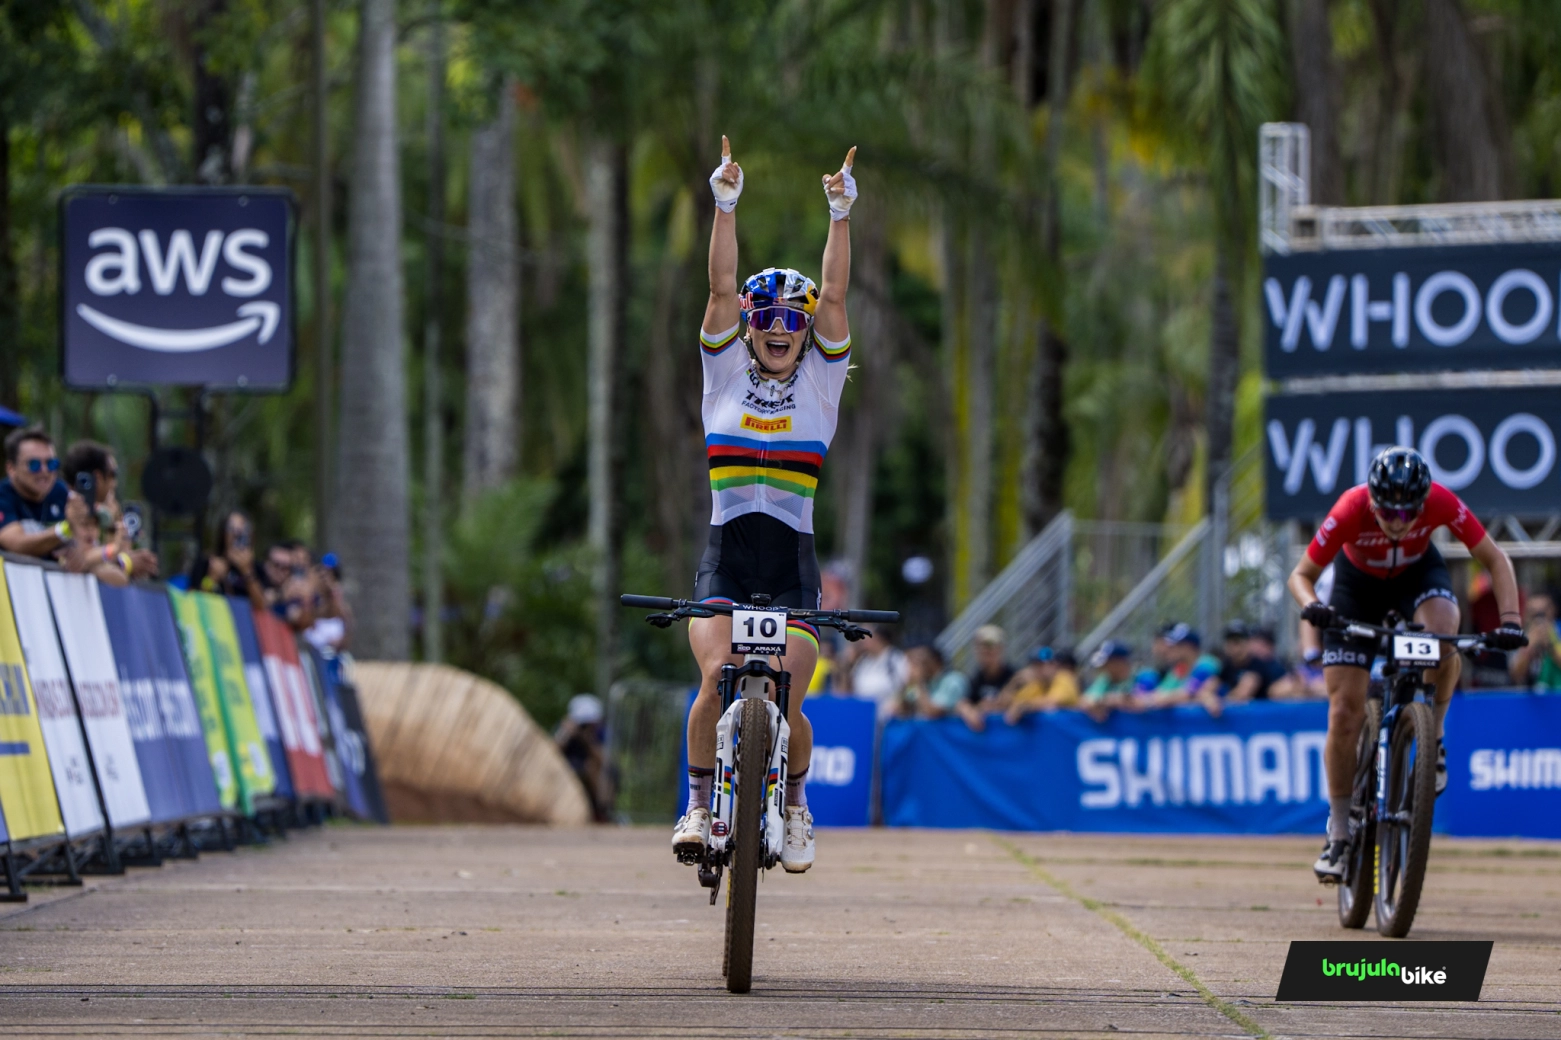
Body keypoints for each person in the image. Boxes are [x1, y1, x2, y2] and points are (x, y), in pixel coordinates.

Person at [674, 136, 859, 873]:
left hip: (791, 568)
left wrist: (839, 215)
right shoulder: (721, 377)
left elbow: (837, 297)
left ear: (805, 332)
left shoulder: (821, 386)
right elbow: (719, 289)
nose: (780, 331)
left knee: (790, 692)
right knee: (716, 677)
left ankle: (795, 805)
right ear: (750, 328)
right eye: (767, 320)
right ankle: (694, 803)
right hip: (726, 559)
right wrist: (724, 204)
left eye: (793, 321)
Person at [1287, 446, 1525, 882]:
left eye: (1408, 513)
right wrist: (1313, 607)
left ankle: (1432, 736)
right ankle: (1339, 832)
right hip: (1356, 589)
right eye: (1387, 513)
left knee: (1444, 632)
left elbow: (1495, 557)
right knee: (1343, 712)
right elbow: (1300, 575)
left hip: (1417, 576)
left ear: (1423, 501)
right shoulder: (1350, 507)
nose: (1397, 522)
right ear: (1372, 501)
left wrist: (1510, 621)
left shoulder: (1442, 501)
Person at [0, 426, 88, 561]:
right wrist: (65, 530)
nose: (45, 471)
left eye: (51, 464)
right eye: (34, 464)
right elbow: (16, 544)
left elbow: (85, 543)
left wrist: (76, 550)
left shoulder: (60, 491)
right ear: (11, 468)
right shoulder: (3, 496)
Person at [556, 694, 615, 823]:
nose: (585, 726)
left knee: (592, 767)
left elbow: (604, 760)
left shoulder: (600, 732)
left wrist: (587, 740)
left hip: (592, 770)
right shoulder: (566, 730)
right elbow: (551, 754)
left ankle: (602, 811)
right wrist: (566, 734)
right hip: (567, 768)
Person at [191, 511, 266, 611]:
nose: (236, 533)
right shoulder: (208, 562)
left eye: (242, 529)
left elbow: (262, 606)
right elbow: (192, 601)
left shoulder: (256, 568)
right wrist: (212, 578)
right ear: (223, 533)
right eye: (231, 528)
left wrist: (247, 571)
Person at [896, 644, 980, 728]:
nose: (915, 665)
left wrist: (919, 682)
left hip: (951, 737)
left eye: (919, 661)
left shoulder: (953, 680)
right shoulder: (925, 684)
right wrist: (906, 684)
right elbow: (899, 710)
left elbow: (932, 713)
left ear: (933, 660)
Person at [1152, 623, 1223, 714]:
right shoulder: (1179, 669)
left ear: (1188, 647)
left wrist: (1158, 699)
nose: (1169, 649)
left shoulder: (1207, 664)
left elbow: (1189, 693)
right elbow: (1161, 692)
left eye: (1176, 645)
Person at [1001, 647, 1080, 724]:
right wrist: (1014, 683)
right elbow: (1005, 703)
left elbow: (1051, 701)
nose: (1039, 670)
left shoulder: (1064, 678)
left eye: (1042, 665)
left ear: (1054, 665)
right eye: (1035, 665)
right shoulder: (1037, 685)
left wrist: (1023, 707)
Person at [1508, 593, 1561, 690]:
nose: (1539, 618)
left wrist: (1551, 644)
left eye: (1543, 612)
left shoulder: (1559, 631)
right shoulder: (1517, 637)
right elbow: (1515, 674)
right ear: (1526, 614)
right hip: (1527, 700)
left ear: (1553, 610)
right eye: (1534, 613)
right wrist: (1529, 645)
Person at [1082, 641, 1135, 721]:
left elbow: (1139, 703)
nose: (1104, 667)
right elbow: (1086, 701)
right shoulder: (1105, 680)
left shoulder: (1142, 677)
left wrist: (1116, 700)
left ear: (1119, 663)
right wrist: (1102, 703)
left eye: (1107, 663)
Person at [968, 625, 1015, 707]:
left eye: (990, 647)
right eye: (981, 647)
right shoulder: (975, 679)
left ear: (1000, 649)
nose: (985, 650)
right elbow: (967, 704)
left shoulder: (1014, 676)